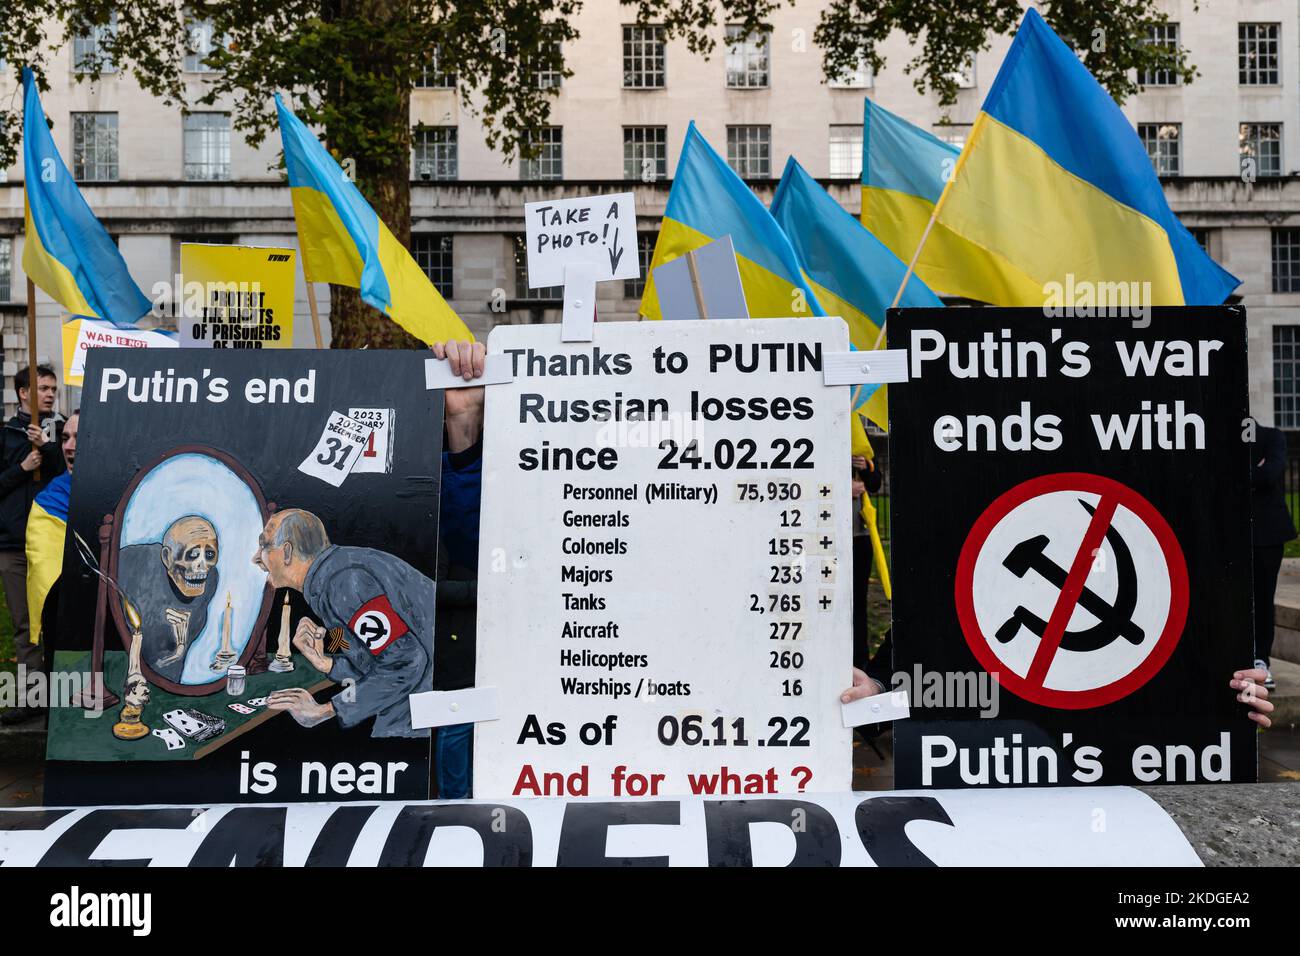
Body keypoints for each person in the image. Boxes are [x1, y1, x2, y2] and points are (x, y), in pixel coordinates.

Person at [259, 509, 435, 737]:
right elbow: (377, 659)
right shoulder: (331, 576)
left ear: (287, 551)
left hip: (420, 709)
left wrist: (323, 711)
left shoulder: (344, 582)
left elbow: (406, 661)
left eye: (264, 545)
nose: (256, 558)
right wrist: (328, 664)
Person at [0, 409, 75, 726]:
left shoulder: (51, 445)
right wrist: (22, 468)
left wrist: (47, 447)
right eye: (66, 438)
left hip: (60, 548)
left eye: (77, 438)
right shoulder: (7, 436)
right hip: (18, 545)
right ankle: (36, 701)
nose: (69, 445)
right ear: (21, 393)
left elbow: (67, 472)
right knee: (30, 629)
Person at [1250, 423, 1294, 689]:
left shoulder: (1271, 436)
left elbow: (1269, 475)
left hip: (1267, 534)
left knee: (1263, 598)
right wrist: (1254, 470)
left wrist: (1239, 475)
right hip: (1231, 532)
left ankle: (1260, 659)